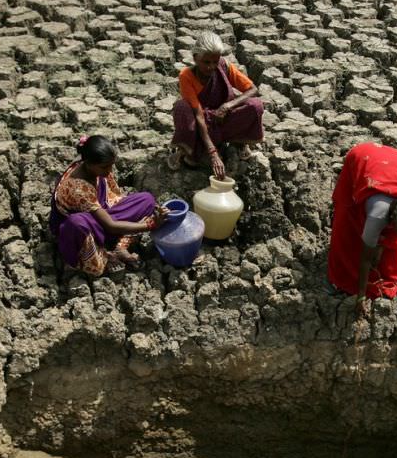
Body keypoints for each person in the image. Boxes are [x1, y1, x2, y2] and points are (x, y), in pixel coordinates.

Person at [326, 142, 397, 314]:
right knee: (346, 225)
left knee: (385, 247)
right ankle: (337, 276)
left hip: (396, 161)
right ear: (394, 217)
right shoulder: (377, 214)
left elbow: (393, 234)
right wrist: (360, 296)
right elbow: (365, 259)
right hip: (362, 157)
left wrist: (381, 247)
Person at [50, 135, 166, 277]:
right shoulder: (77, 189)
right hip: (85, 228)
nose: (109, 171)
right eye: (105, 167)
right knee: (77, 225)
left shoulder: (92, 166)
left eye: (111, 165)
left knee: (147, 200)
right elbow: (110, 225)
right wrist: (151, 225)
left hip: (101, 213)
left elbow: (110, 202)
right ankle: (103, 255)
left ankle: (118, 247)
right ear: (88, 163)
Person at [170, 30, 264, 179]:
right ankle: (190, 150)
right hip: (202, 124)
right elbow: (199, 115)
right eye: (206, 62)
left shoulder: (224, 66)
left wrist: (228, 106)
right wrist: (213, 154)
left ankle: (237, 143)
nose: (211, 67)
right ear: (195, 58)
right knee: (181, 107)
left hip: (223, 119)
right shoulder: (186, 76)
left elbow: (252, 89)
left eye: (215, 62)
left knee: (256, 106)